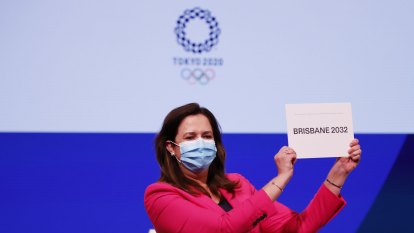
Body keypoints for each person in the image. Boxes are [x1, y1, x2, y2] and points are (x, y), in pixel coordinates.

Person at [144, 103, 362, 233]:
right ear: (171, 148)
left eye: (207, 136)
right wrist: (282, 177)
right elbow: (224, 229)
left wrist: (339, 173)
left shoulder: (237, 184)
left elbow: (297, 228)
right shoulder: (161, 196)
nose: (200, 142)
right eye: (190, 137)